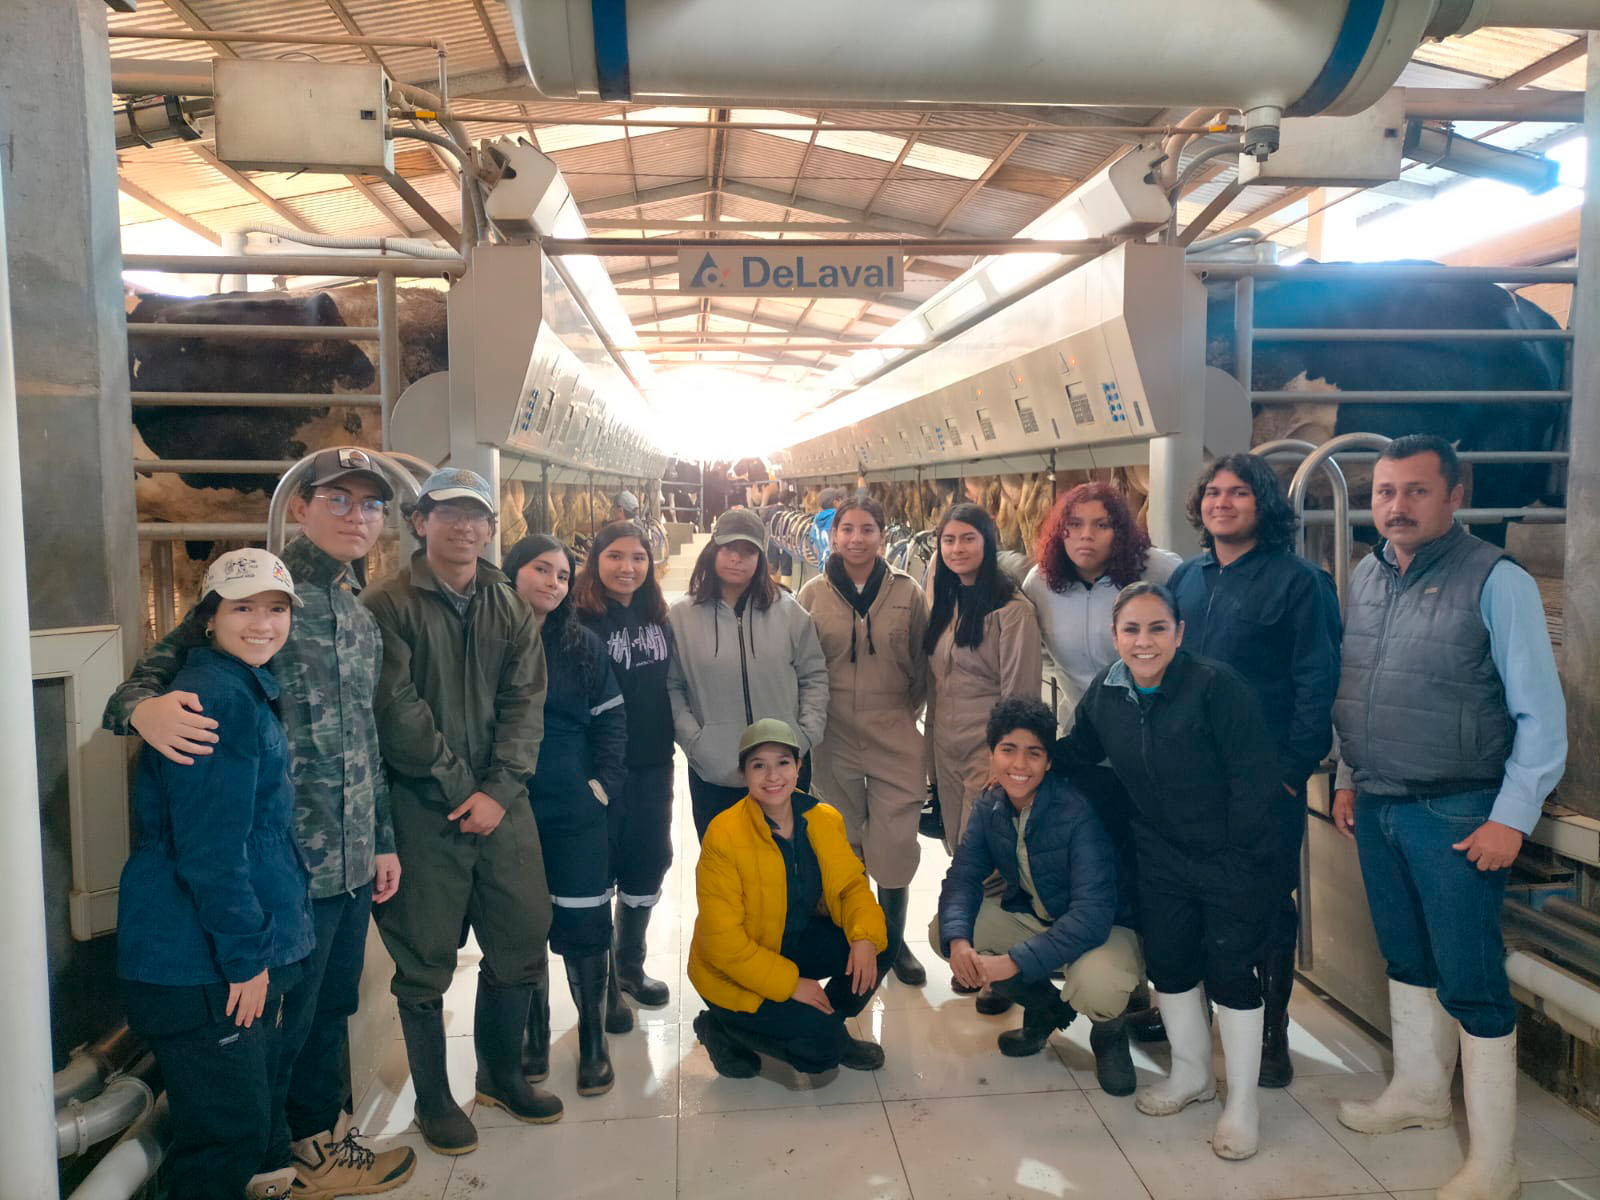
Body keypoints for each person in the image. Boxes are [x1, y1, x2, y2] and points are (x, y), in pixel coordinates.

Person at [103, 447, 415, 1198]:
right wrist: (139, 711)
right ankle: (280, 1160)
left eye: (371, 505)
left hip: (345, 860)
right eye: (338, 499)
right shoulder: (255, 594)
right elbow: (155, 674)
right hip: (279, 872)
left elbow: (363, 736)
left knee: (325, 1014)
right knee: (277, 1033)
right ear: (300, 507)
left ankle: (312, 1144)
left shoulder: (358, 615)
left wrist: (380, 840)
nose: (357, 516)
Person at [1330, 435, 1567, 1200]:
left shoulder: (1497, 579)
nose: (1396, 505)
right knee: (1406, 959)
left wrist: (1512, 818)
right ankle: (1421, 1094)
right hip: (1379, 800)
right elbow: (1357, 682)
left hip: (1458, 809)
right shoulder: (1369, 575)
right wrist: (1348, 776)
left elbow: (1541, 715)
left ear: (1455, 497)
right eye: (1384, 492)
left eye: (1416, 491)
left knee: (1470, 977)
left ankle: (1497, 1161)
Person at [363, 467, 562, 1155]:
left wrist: (499, 790)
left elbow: (525, 700)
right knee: (423, 952)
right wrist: (459, 788)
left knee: (522, 932)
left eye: (477, 516)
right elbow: (397, 711)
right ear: (421, 523)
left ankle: (500, 1075)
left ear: (490, 528)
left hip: (502, 804)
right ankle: (433, 1098)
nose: (465, 527)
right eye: (449, 514)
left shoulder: (507, 604)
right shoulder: (386, 604)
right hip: (424, 805)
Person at [1053, 582, 1280, 1160]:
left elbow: (1254, 780)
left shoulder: (1216, 687)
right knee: (1172, 967)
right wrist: (1021, 758)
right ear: (1114, 636)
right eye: (1131, 629)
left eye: (1157, 628)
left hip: (1229, 857)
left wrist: (1243, 859)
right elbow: (1077, 752)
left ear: (1180, 632)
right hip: (1159, 856)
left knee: (1231, 973)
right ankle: (1191, 1075)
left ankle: (1243, 1102)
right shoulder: (1108, 692)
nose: (1144, 641)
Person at [115, 549, 314, 1200]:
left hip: (212, 953)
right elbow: (210, 852)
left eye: (276, 609)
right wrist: (246, 960)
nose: (263, 623)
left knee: (245, 1125)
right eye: (243, 608)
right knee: (227, 1138)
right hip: (199, 961)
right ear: (208, 618)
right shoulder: (214, 699)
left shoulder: (240, 684)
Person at [1166, 452, 1342, 1087]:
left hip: (1263, 781)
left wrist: (1292, 771)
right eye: (1213, 492)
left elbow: (1317, 682)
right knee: (1191, 897)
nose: (1222, 502)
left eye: (1238, 492)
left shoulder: (1301, 582)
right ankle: (1197, 1018)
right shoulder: (1186, 578)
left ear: (1264, 505)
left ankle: (1272, 1033)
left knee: (1264, 906)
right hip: (1189, 778)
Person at [931, 697, 1141, 1094]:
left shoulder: (1077, 810)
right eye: (1008, 750)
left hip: (1106, 928)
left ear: (1049, 761)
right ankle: (1045, 1009)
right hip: (1039, 915)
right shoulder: (990, 805)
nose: (1019, 764)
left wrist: (1012, 962)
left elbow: (1092, 915)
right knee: (944, 929)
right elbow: (963, 876)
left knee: (1098, 985)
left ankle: (1109, 1034)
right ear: (991, 754)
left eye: (1033, 753)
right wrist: (958, 942)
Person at [688, 719, 892, 1077]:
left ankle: (829, 1022)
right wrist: (791, 985)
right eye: (758, 765)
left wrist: (863, 937)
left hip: (790, 941)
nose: (772, 776)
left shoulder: (822, 818)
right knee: (822, 1052)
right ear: (744, 774)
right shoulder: (724, 835)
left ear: (799, 767)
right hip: (733, 971)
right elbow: (724, 946)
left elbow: (850, 888)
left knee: (880, 942)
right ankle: (719, 1026)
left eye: (782, 762)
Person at [503, 535, 628, 1097]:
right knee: (524, 920)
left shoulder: (582, 646)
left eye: (562, 575)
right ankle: (535, 1031)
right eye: (541, 569)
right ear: (512, 571)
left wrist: (601, 786)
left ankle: (593, 1038)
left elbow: (611, 719)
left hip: (574, 804)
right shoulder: (487, 641)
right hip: (509, 805)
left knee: (584, 921)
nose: (553, 583)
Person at [797, 493, 932, 988]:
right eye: (847, 529)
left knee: (895, 844)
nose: (857, 539)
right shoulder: (811, 595)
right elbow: (802, 665)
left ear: (881, 534)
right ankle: (858, 938)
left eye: (867, 529)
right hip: (833, 737)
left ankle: (893, 943)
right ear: (833, 535)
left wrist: (900, 713)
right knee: (845, 844)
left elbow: (922, 665)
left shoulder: (907, 592)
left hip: (894, 731)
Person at [667, 508, 829, 840]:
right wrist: (696, 742)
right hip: (715, 771)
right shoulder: (681, 616)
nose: (737, 558)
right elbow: (672, 685)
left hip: (783, 770)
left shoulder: (789, 612)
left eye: (748, 551)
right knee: (723, 860)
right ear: (713, 550)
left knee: (787, 859)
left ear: (760, 557)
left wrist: (804, 735)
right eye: (729, 548)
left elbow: (813, 675)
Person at [574, 520, 679, 1027]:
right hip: (598, 768)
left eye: (638, 557)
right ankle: (602, 988)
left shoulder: (658, 615)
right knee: (598, 868)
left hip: (653, 762)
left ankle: (630, 967)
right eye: (615, 556)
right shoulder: (578, 619)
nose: (627, 567)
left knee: (649, 859)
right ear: (595, 561)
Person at [1022, 481, 1182, 718]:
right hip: (1081, 717)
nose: (1086, 535)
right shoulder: (1039, 583)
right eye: (1074, 524)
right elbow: (1037, 648)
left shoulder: (1160, 570)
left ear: (1120, 533)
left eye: (1101, 525)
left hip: (1154, 717)